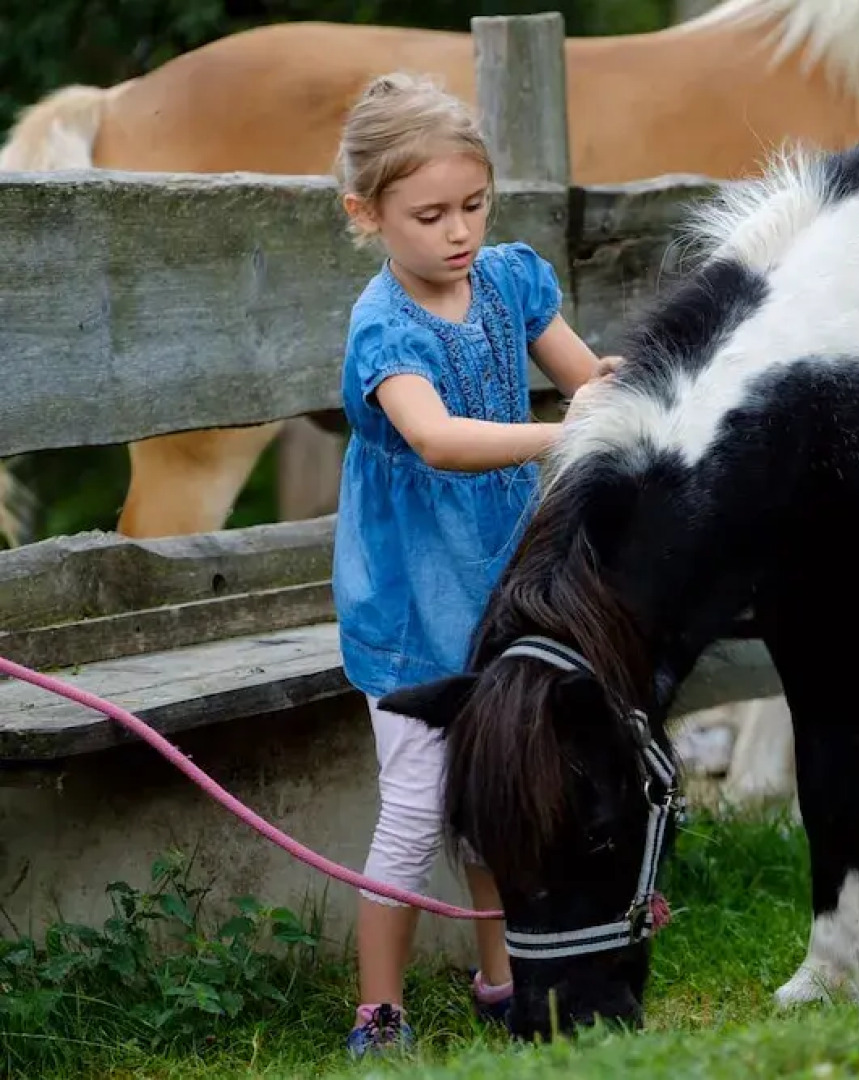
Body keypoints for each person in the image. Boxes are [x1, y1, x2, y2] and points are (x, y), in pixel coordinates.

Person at [330, 71, 618, 1058]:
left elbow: (590, 380)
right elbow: (440, 439)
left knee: (500, 797)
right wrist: (560, 438)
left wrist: (625, 390)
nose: (457, 232)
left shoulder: (509, 279)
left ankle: (502, 983)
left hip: (504, 594)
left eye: (473, 205)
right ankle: (379, 1012)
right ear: (365, 215)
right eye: (428, 214)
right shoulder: (385, 328)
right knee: (416, 814)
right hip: (414, 611)